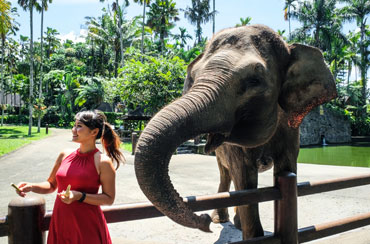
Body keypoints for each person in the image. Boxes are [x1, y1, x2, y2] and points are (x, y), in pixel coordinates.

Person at [15, 110, 125, 244]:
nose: (73, 130)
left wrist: (80, 196)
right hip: (61, 222)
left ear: (94, 132)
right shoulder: (64, 155)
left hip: (87, 226)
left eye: (79, 126)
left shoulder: (103, 162)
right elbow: (51, 185)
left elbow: (109, 199)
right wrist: (31, 186)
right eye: (74, 125)